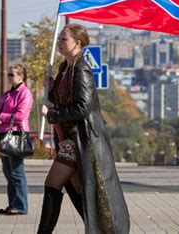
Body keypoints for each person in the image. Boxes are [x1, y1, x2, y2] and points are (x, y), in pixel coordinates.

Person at [38, 24, 130, 233]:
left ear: (77, 43)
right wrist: (51, 89)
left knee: (53, 183)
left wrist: (52, 114)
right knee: (83, 194)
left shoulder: (82, 69)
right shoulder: (65, 68)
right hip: (68, 139)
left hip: (80, 140)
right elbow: (62, 101)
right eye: (59, 39)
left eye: (64, 39)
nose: (59, 43)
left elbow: (83, 107)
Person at [0, 64, 33, 216]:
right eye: (8, 74)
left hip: (16, 135)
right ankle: (13, 204)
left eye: (12, 75)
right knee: (8, 171)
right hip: (4, 135)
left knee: (16, 172)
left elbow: (20, 116)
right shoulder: (6, 95)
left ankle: (20, 206)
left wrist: (1, 118)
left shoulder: (25, 94)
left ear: (21, 77)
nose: (9, 77)